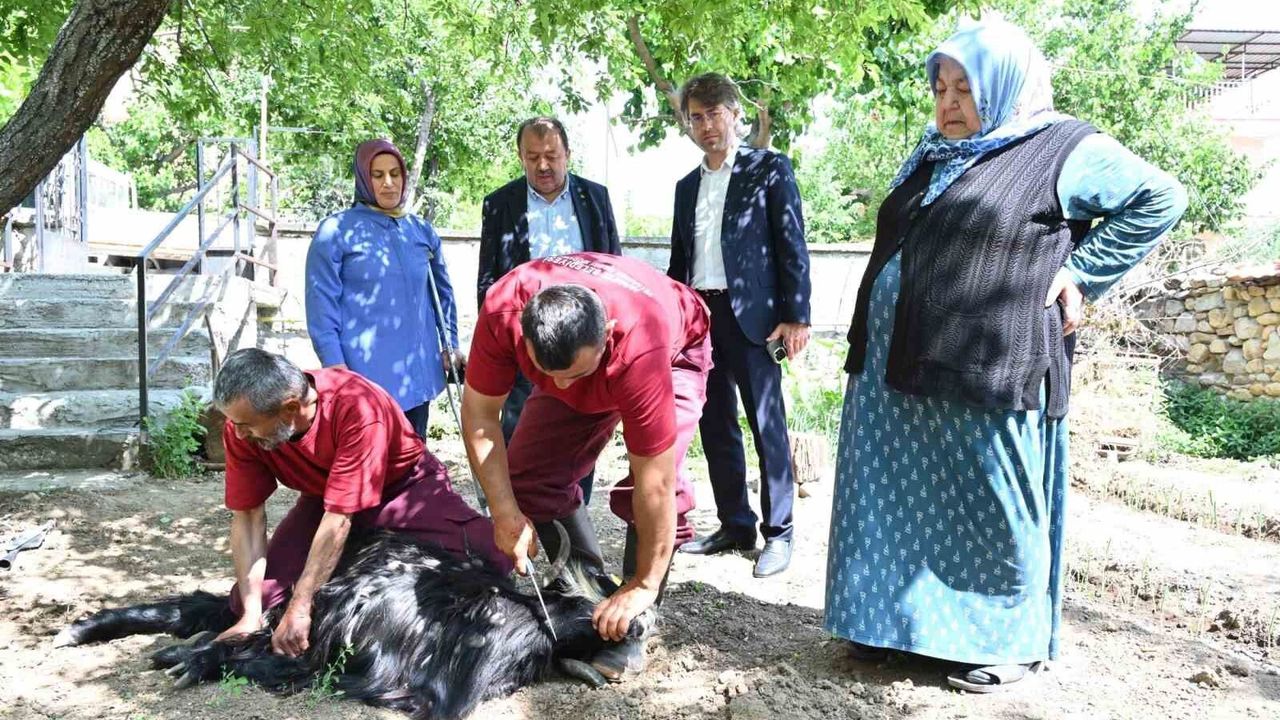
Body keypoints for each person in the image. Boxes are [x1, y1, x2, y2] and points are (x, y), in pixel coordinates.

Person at [823, 20, 1187, 692]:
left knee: (995, 495)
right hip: (894, 360)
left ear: (1002, 86)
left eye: (964, 88)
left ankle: (1004, 641)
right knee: (894, 491)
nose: (948, 101)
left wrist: (1085, 272)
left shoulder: (1062, 147)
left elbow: (1161, 198)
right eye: (940, 87)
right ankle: (889, 626)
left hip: (991, 359)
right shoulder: (936, 153)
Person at [460, 252, 711, 681]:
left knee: (646, 491)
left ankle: (632, 621)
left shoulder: (639, 344)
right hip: (587, 354)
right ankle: (587, 598)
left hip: (674, 351)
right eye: (545, 371)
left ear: (607, 334)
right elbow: (480, 415)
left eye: (573, 376)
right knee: (528, 478)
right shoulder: (504, 307)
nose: (561, 387)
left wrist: (645, 585)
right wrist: (504, 514)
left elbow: (654, 483)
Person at [211, 348, 508, 657]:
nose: (238, 434)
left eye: (246, 425)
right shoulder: (241, 428)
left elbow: (340, 519)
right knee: (262, 598)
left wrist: (301, 605)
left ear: (290, 408)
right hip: (324, 499)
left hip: (404, 489)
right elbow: (248, 517)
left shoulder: (358, 406)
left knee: (490, 556)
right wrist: (250, 615)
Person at [669, 72, 812, 578]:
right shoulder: (687, 187)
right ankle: (735, 525)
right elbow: (679, 260)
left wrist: (796, 316)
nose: (707, 125)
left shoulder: (768, 169)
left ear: (735, 114)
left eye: (715, 114)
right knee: (716, 426)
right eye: (697, 117)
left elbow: (791, 243)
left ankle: (780, 533)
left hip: (755, 320)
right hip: (700, 320)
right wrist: (673, 322)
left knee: (767, 425)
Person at [477, 116, 622, 505]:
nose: (543, 165)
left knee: (580, 438)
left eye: (551, 156)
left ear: (567, 154)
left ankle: (574, 511)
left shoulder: (595, 198)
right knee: (519, 434)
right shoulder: (500, 204)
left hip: (583, 343)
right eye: (532, 157)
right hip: (525, 342)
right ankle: (518, 516)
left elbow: (614, 267)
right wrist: (498, 345)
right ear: (520, 157)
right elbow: (489, 280)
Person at [305, 138, 462, 439]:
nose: (389, 183)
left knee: (414, 457)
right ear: (364, 179)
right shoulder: (335, 232)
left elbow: (443, 295)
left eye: (395, 173)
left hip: (417, 377)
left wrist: (450, 343)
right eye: (377, 175)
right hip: (364, 378)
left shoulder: (420, 230)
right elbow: (321, 308)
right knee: (370, 459)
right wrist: (335, 368)